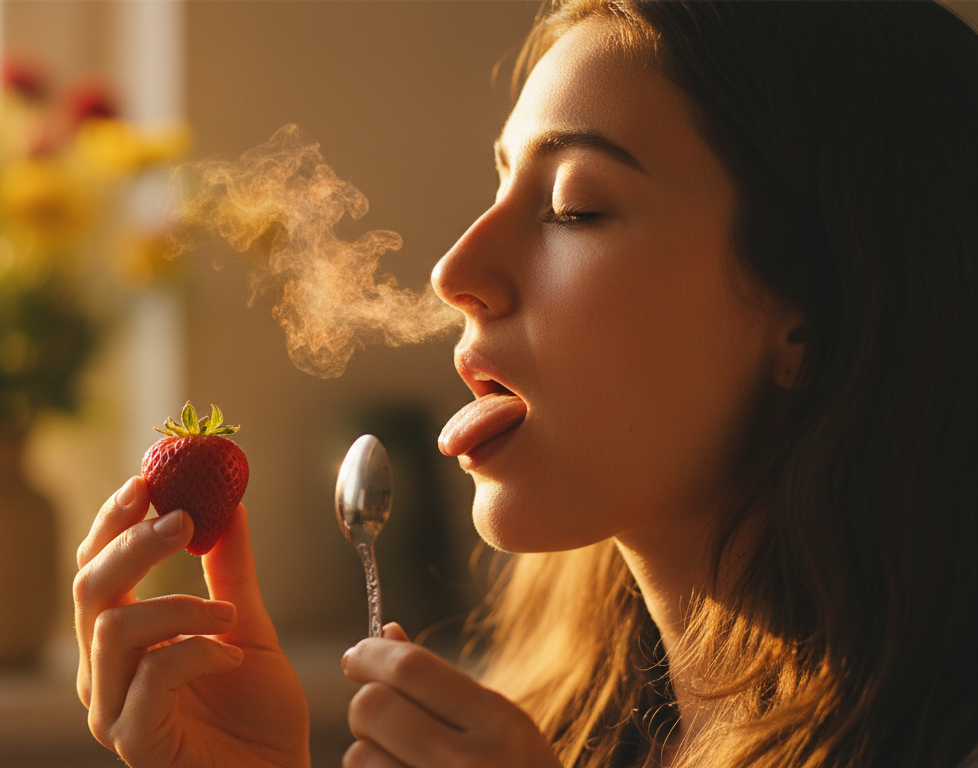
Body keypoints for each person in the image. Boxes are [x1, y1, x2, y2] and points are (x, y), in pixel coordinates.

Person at [72, 1, 978, 766]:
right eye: (499, 183)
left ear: (811, 312)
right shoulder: (561, 725)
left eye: (575, 208)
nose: (455, 267)